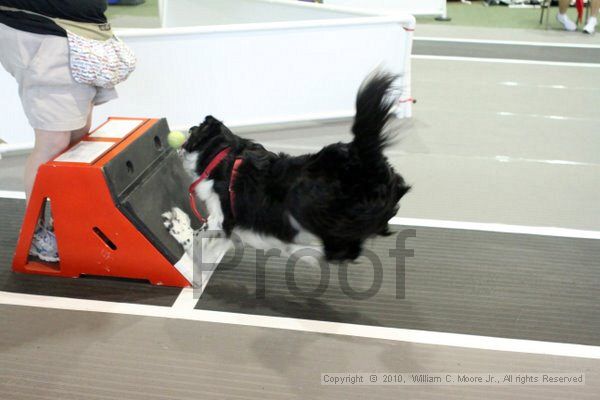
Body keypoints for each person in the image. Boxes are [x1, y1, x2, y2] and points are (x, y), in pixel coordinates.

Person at [0, 1, 119, 262]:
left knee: (78, 133)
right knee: (53, 140)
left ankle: (66, 222)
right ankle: (35, 233)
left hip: (80, 31)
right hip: (42, 27)